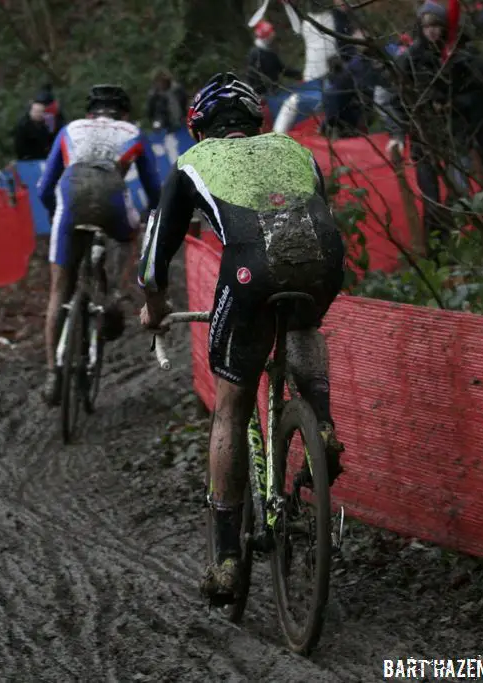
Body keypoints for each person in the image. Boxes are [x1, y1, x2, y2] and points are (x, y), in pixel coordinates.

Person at [136, 73, 347, 604]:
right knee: (304, 322)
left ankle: (228, 559)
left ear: (199, 128)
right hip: (323, 260)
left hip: (252, 272)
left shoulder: (192, 163)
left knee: (230, 407)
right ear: (255, 121)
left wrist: (155, 309)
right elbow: (314, 212)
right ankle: (320, 423)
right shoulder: (294, 148)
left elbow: (154, 258)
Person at [37, 84, 162, 405]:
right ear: (124, 112)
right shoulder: (132, 131)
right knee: (130, 232)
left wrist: (56, 217)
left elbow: (44, 187)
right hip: (111, 197)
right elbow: (154, 192)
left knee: (58, 292)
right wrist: (153, 219)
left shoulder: (71, 128)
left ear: (90, 111)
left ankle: (52, 373)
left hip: (71, 196)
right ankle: (116, 294)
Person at [384, 1, 483, 254]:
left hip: (457, 136)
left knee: (461, 194)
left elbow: (480, 94)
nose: (432, 31)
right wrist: (398, 132)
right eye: (427, 26)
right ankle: (438, 254)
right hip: (424, 139)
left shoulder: (462, 57)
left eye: (436, 25)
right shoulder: (410, 61)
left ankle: (469, 248)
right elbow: (396, 99)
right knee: (431, 201)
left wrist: (452, 103)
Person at [245, 20, 302, 97]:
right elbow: (251, 78)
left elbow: (281, 69)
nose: (273, 35)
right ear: (266, 37)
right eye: (270, 34)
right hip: (265, 97)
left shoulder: (269, 53)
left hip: (275, 92)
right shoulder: (255, 55)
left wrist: (299, 74)